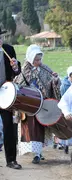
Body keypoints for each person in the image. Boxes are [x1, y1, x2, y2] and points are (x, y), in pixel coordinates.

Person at [14, 44, 61, 164]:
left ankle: (38, 153)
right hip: (28, 105)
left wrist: (55, 80)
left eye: (39, 59)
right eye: (36, 59)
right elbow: (18, 84)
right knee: (29, 130)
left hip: (41, 105)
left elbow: (51, 83)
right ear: (30, 58)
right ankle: (35, 152)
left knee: (39, 129)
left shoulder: (45, 69)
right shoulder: (24, 70)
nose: (38, 62)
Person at [0, 28, 22, 169]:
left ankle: (11, 160)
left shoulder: (8, 49)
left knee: (9, 126)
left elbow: (17, 71)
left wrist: (15, 67)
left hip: (5, 93)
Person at [59, 66, 72, 154]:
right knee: (67, 126)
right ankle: (65, 144)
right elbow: (63, 98)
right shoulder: (64, 85)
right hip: (67, 107)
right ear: (68, 76)